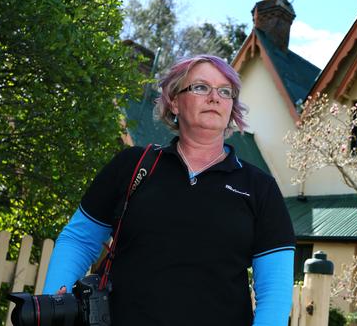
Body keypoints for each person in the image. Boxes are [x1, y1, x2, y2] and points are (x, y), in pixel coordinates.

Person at [43, 55, 296, 326]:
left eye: (225, 91)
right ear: (174, 101)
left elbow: (275, 292)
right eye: (200, 87)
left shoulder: (259, 187)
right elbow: (79, 240)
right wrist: (53, 304)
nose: (215, 97)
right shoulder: (133, 166)